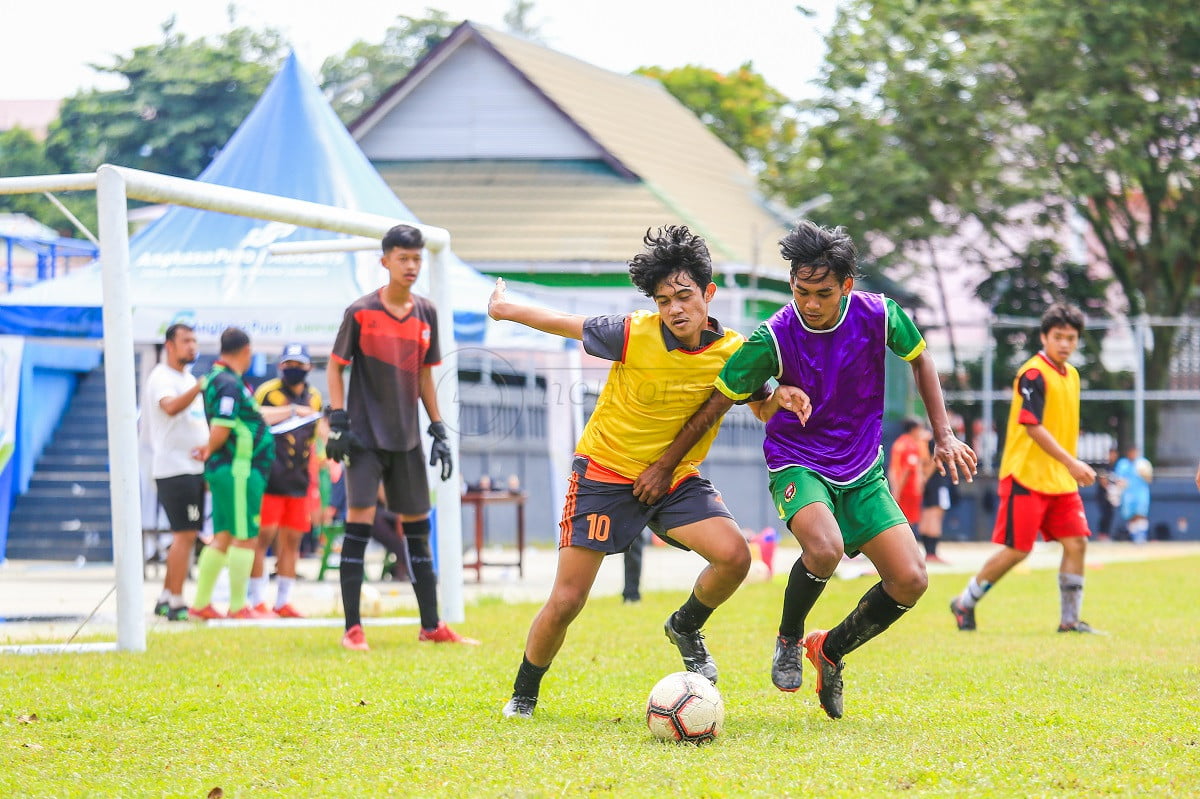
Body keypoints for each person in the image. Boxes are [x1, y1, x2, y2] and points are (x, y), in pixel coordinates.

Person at [638, 220, 977, 720]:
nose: (810, 304)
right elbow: (714, 405)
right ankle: (790, 638)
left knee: (910, 579)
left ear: (847, 286)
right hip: (797, 461)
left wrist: (943, 433)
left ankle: (831, 650)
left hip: (862, 469)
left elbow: (921, 360)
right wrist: (665, 467)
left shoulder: (881, 315)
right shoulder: (773, 337)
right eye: (801, 291)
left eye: (822, 293)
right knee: (825, 548)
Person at [488, 225, 763, 720]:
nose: (675, 309)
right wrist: (504, 309)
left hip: (675, 479)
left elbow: (762, 406)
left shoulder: (736, 352)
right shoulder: (632, 332)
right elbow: (561, 321)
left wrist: (782, 398)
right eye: (663, 300)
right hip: (604, 475)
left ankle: (685, 625)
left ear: (708, 294)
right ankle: (523, 695)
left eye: (684, 296)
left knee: (734, 557)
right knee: (569, 599)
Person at [326, 223, 475, 651]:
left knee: (416, 529)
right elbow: (336, 366)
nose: (411, 266)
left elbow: (426, 375)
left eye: (416, 259)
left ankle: (432, 625)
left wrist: (438, 426)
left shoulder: (426, 312)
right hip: (364, 439)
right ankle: (352, 629)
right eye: (403, 258)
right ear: (385, 261)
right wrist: (338, 419)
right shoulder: (360, 311)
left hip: (408, 438)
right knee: (358, 522)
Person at [950, 303, 1099, 634]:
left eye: (1071, 338)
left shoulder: (1072, 374)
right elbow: (1032, 426)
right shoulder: (1033, 374)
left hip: (1059, 479)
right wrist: (1073, 463)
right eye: (1058, 336)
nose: (1064, 343)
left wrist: (1068, 467)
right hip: (1026, 476)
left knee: (1077, 543)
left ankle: (1070, 621)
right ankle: (965, 601)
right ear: (1044, 337)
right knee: (1018, 550)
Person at [189, 327, 277, 620]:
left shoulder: (218, 378)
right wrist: (210, 448)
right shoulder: (228, 382)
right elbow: (223, 425)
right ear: (246, 352)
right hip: (238, 469)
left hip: (232, 470)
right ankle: (238, 606)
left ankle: (201, 603)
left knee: (224, 536)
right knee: (245, 536)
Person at [248, 343, 323, 617]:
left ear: (308, 368)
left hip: (299, 479)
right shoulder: (268, 392)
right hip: (270, 476)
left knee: (292, 540)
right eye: (288, 365)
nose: (293, 370)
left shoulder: (314, 396)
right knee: (262, 537)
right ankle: (256, 598)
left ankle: (284, 600)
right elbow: (254, 418)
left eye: (298, 365)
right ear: (280, 366)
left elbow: (315, 437)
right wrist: (292, 411)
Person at [143, 323, 209, 621]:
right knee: (184, 535)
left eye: (194, 341)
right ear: (170, 345)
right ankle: (179, 601)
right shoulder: (162, 377)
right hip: (174, 469)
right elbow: (169, 407)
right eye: (186, 341)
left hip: (192, 468)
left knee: (184, 535)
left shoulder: (187, 377)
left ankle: (167, 596)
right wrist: (199, 388)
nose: (192, 346)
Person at [918, 433, 956, 564]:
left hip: (930, 485)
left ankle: (928, 553)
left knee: (928, 515)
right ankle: (932, 553)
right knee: (936, 517)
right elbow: (935, 460)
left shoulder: (923, 440)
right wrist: (925, 478)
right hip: (939, 484)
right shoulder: (937, 439)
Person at [887, 419, 928, 537]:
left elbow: (893, 468)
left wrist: (894, 487)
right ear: (914, 429)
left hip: (899, 487)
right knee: (906, 522)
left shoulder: (898, 443)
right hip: (908, 490)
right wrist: (898, 491)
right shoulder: (911, 446)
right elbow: (907, 470)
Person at [1113, 445, 1153, 544]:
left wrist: (1145, 474)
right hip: (1128, 494)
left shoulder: (1143, 463)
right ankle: (1134, 536)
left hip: (1141, 493)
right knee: (1131, 516)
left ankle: (1141, 536)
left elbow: (1149, 479)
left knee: (1141, 514)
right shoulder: (1122, 464)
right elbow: (1118, 478)